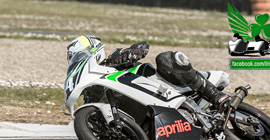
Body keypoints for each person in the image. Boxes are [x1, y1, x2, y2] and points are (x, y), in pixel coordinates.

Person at [67, 35, 229, 110]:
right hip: (148, 110)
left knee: (165, 58)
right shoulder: (89, 90)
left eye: (78, 56)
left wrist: (132, 53)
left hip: (161, 86)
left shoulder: (113, 59)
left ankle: (215, 95)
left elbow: (142, 47)